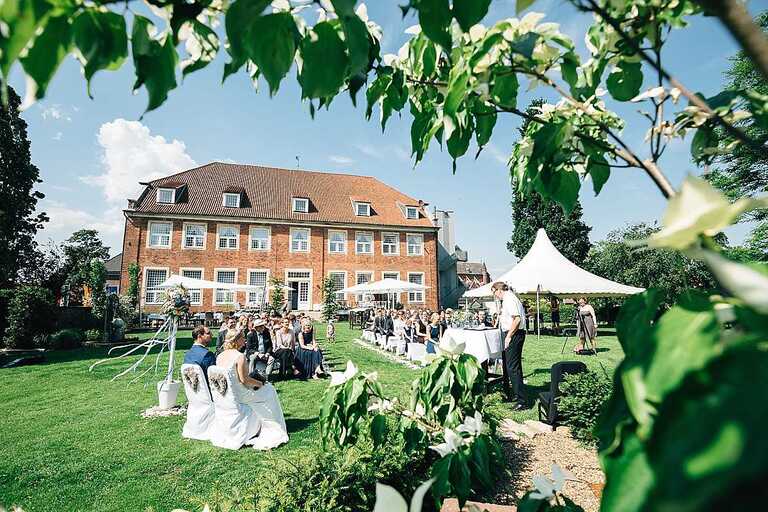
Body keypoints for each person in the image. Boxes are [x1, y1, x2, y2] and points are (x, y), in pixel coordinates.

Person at [215, 328, 289, 450]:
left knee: (266, 389)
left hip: (227, 393)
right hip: (241, 394)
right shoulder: (239, 356)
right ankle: (274, 425)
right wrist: (260, 384)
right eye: (243, 338)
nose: (245, 340)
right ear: (237, 340)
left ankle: (262, 423)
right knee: (270, 390)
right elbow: (245, 380)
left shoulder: (220, 356)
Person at [492, 281, 527, 410]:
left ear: (499, 290)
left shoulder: (510, 299)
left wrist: (509, 336)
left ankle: (521, 400)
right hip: (510, 333)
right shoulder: (507, 299)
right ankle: (509, 393)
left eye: (495, 293)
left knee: (513, 367)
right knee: (508, 365)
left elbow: (516, 319)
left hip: (514, 334)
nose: (495, 296)